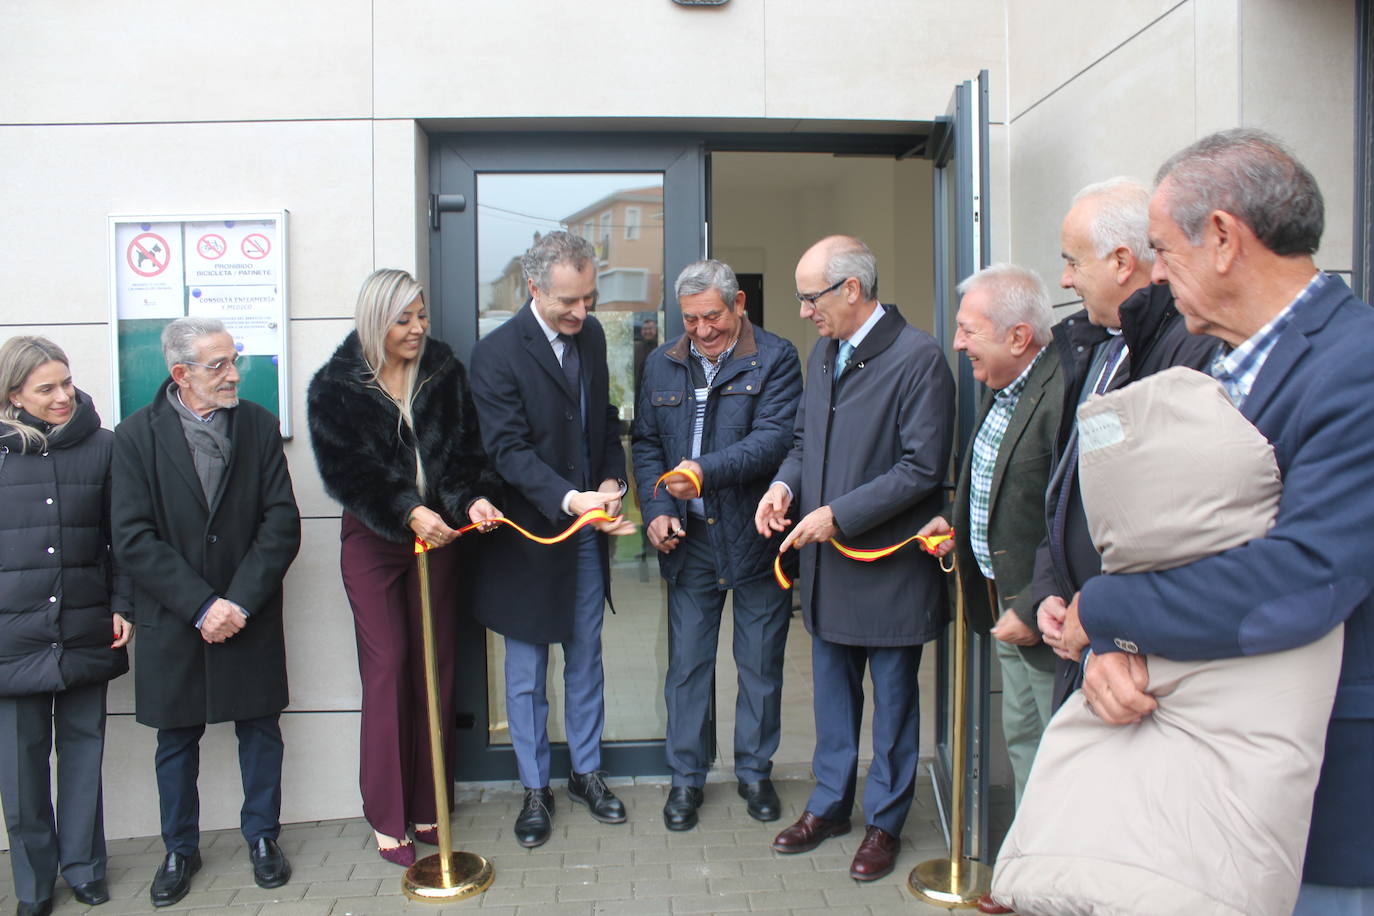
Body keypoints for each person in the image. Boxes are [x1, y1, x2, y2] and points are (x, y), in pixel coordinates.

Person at [1059, 129, 1374, 916]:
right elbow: (1170, 536)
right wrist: (1113, 648)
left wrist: (1104, 611)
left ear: (1226, 238)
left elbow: (1301, 580)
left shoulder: (1355, 364)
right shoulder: (1213, 357)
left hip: (1321, 800)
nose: (1155, 272)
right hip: (1203, 781)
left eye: (1164, 249)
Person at [755, 235, 955, 881]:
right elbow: (805, 440)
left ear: (851, 289)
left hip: (889, 567)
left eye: (811, 298)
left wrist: (838, 515)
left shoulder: (918, 357)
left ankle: (886, 822)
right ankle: (829, 805)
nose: (805, 311)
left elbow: (922, 467)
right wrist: (784, 486)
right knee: (832, 699)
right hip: (826, 567)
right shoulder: (824, 353)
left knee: (894, 706)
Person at [307, 269, 503, 865]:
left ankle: (428, 802)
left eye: (421, 315)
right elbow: (348, 473)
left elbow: (466, 455)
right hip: (375, 541)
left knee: (434, 667)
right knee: (389, 666)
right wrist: (408, 510)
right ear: (375, 322)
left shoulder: (443, 370)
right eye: (404, 319)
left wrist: (473, 499)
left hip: (441, 537)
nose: (418, 328)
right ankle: (386, 810)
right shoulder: (333, 387)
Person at [112, 317, 301, 906]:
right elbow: (133, 536)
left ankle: (263, 838)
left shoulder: (258, 426)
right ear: (180, 374)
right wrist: (201, 606)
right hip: (175, 617)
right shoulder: (135, 437)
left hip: (249, 610)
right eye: (217, 365)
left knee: (261, 730)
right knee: (175, 739)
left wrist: (238, 600)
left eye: (233, 359)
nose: (233, 374)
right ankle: (178, 849)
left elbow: (281, 522)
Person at [468, 230, 635, 849]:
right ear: (533, 287)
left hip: (587, 531)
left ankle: (585, 774)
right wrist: (571, 500)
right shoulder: (496, 355)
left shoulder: (589, 337)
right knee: (527, 671)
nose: (582, 313)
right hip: (527, 538)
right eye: (569, 301)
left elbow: (601, 419)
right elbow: (507, 451)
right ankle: (534, 786)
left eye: (589, 298)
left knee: (586, 658)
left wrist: (612, 481)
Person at [1030, 177, 1217, 709]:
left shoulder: (1187, 349)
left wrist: (1109, 620)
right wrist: (1051, 584)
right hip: (1085, 631)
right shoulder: (1104, 343)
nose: (1065, 280)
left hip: (1133, 659)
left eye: (1073, 262)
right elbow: (1070, 483)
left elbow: (1178, 520)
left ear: (1119, 261)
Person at [631, 259, 802, 831]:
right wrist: (656, 509)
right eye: (691, 319)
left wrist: (700, 472)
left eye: (712, 317)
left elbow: (773, 441)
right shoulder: (661, 362)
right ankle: (686, 780)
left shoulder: (776, 358)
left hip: (757, 538)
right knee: (687, 667)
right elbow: (647, 445)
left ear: (738, 306)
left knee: (759, 664)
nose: (702, 331)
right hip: (690, 541)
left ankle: (755, 772)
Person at [916, 266, 1060, 916]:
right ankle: (1027, 876)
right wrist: (961, 527)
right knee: (1026, 746)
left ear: (1020, 335)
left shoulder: (1061, 395)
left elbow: (1073, 519)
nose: (958, 343)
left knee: (1057, 759)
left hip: (1043, 618)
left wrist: (1031, 605)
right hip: (1000, 606)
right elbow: (1000, 489)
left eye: (969, 330)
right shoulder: (1003, 390)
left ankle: (1049, 888)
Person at [0, 338, 132, 916]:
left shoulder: (104, 449)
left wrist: (122, 603)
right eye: (45, 388)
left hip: (84, 625)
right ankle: (33, 884)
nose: (62, 397)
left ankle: (85, 867)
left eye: (66, 383)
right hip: (11, 636)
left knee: (83, 752)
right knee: (21, 767)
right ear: (14, 396)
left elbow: (121, 538)